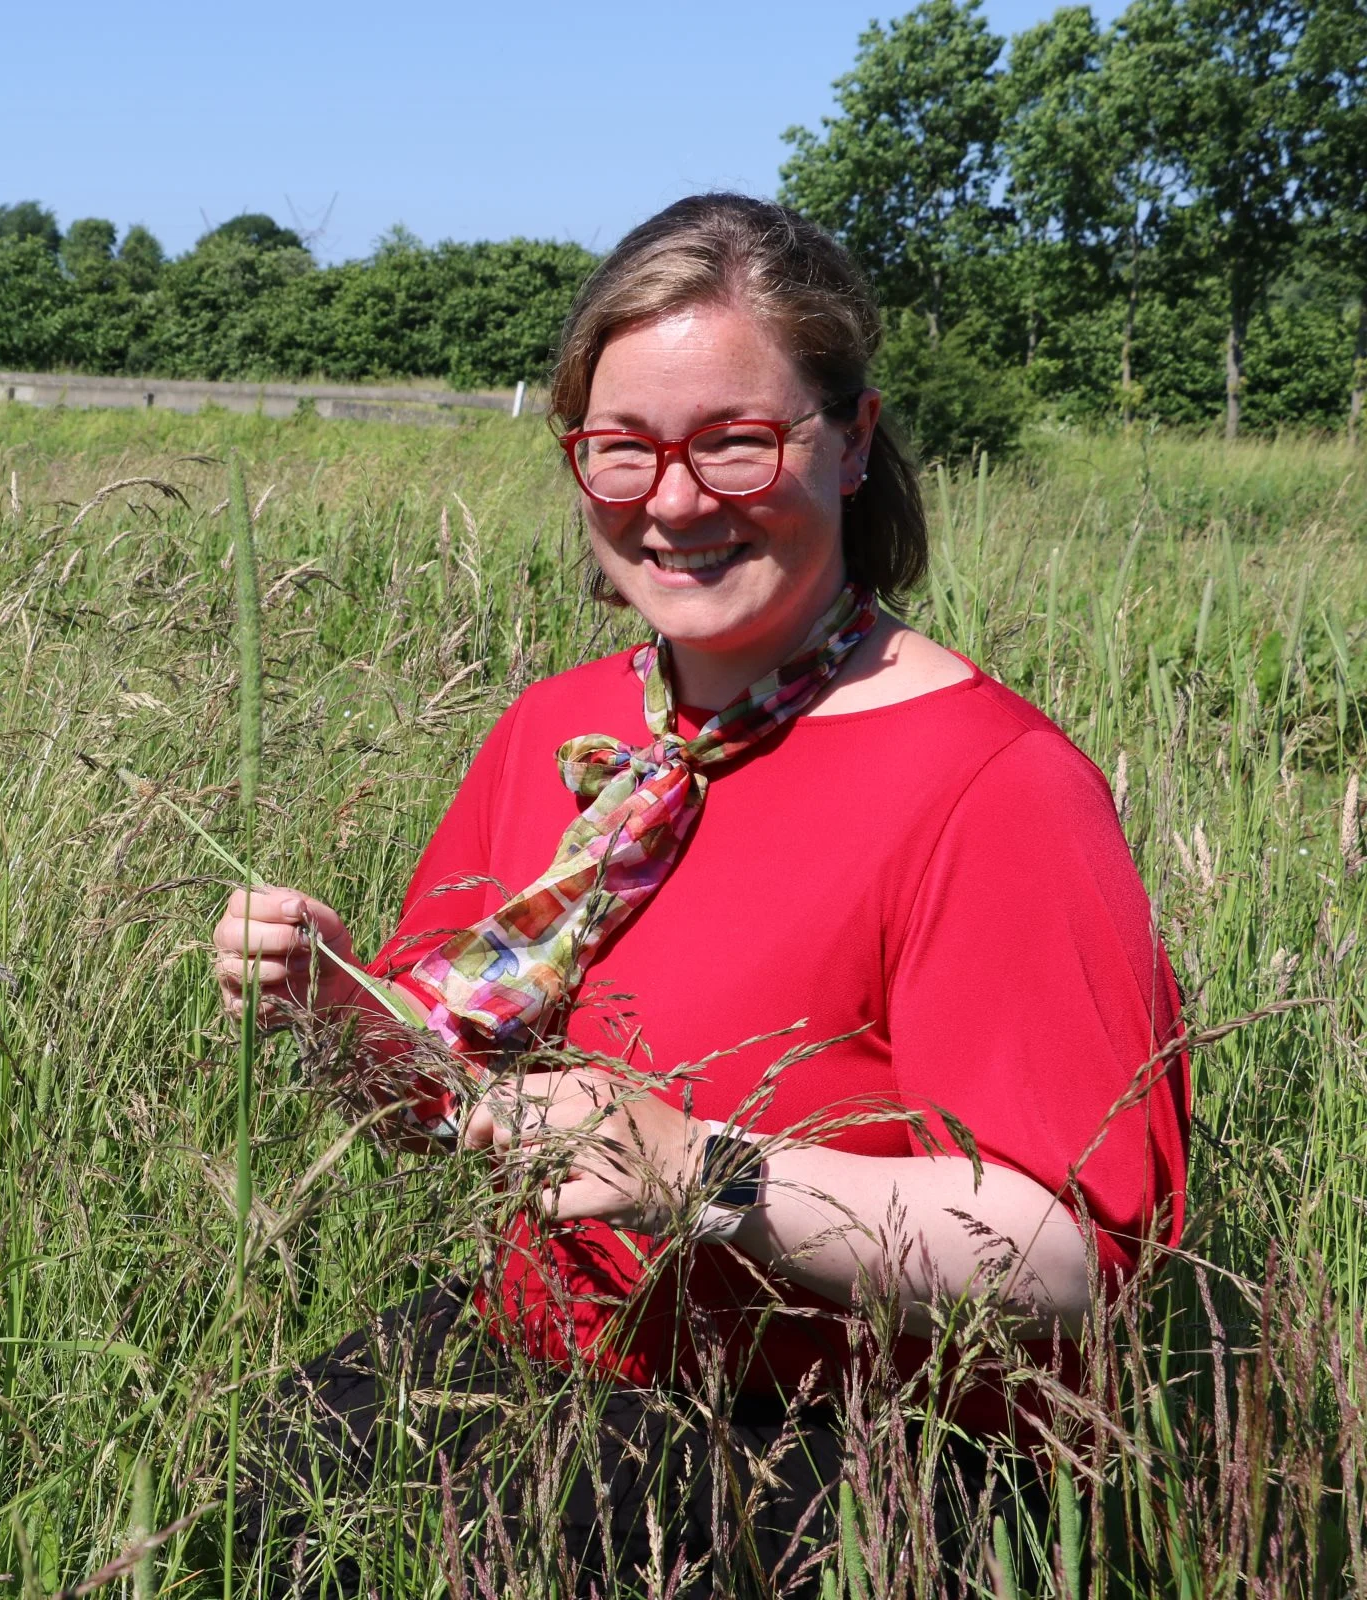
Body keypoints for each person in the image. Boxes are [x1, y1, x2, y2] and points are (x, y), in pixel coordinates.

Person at [210, 194, 1189, 1590]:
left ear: (850, 445)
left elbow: (1067, 1255)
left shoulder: (994, 784)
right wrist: (337, 1012)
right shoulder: (562, 734)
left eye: (735, 440)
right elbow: (443, 1118)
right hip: (536, 1368)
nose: (672, 501)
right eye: (622, 449)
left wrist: (694, 1169)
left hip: (848, 1457)